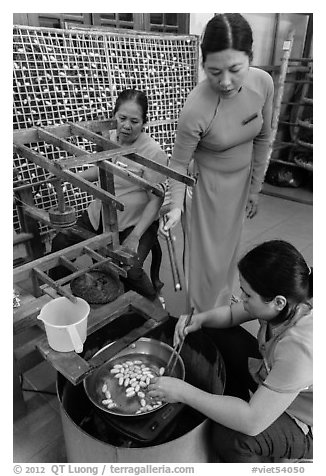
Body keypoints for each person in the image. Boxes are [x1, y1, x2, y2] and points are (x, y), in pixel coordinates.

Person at [148, 240, 313, 463]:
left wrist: (183, 392)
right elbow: (233, 315)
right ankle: (238, 401)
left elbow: (252, 422)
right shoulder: (286, 301)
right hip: (274, 375)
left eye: (247, 295)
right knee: (214, 332)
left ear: (278, 302)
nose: (241, 299)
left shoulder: (300, 348)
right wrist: (199, 319)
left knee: (232, 438)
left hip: (304, 417)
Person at [160, 13, 274, 312]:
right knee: (205, 258)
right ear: (203, 66)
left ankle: (221, 301)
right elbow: (178, 164)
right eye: (213, 72)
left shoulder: (263, 84)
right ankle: (202, 314)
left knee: (228, 251)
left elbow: (263, 137)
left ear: (251, 57)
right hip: (206, 189)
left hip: (240, 183)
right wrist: (174, 205)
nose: (224, 82)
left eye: (235, 69)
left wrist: (255, 188)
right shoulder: (196, 109)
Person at [50, 89, 168, 301]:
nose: (127, 126)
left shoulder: (152, 152)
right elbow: (102, 170)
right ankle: (61, 298)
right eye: (122, 118)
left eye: (135, 121)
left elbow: (155, 200)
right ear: (114, 116)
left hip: (136, 222)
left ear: (144, 122)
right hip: (102, 213)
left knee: (129, 268)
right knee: (61, 245)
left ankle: (154, 304)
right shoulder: (111, 139)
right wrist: (69, 176)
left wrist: (135, 236)